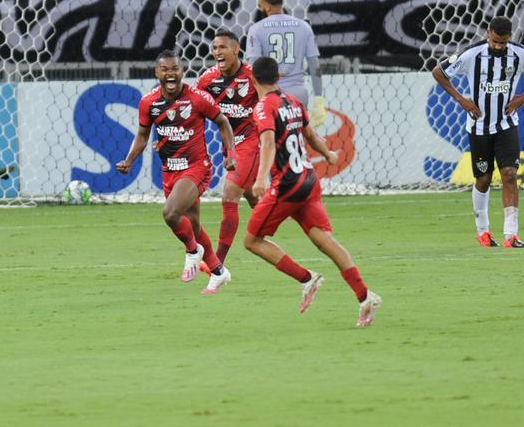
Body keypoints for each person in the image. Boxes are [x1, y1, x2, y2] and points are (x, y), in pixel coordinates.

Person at [242, 56, 382, 327]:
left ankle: (306, 278)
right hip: (309, 180)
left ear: (253, 80)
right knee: (325, 241)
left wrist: (260, 179)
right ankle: (365, 296)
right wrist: (327, 154)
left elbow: (268, 144)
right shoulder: (293, 103)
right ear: (279, 78)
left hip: (287, 185)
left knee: (252, 241)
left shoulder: (263, 107)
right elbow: (311, 136)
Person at [116, 49, 238, 294]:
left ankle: (193, 252)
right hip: (170, 170)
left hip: (197, 168)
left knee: (171, 214)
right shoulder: (149, 102)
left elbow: (222, 122)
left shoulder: (197, 98)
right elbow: (142, 136)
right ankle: (218, 272)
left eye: (175, 69)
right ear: (157, 72)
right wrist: (130, 160)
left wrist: (231, 153)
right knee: (192, 224)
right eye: (165, 69)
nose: (170, 73)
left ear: (182, 72)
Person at [432, 16, 524, 249]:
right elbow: (439, 72)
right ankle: (483, 232)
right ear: (488, 33)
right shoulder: (472, 55)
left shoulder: (520, 54)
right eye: (495, 41)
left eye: (503, 42)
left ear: (509, 38)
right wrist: (462, 100)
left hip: (506, 124)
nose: (498, 46)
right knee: (484, 179)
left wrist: (523, 97)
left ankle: (511, 235)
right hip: (478, 127)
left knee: (509, 173)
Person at [196, 29, 259, 265]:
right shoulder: (207, 80)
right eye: (214, 48)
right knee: (252, 194)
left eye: (222, 47)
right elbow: (192, 110)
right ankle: (271, 217)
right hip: (230, 145)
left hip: (252, 143)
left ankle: (217, 264)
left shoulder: (253, 76)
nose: (217, 52)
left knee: (229, 197)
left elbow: (271, 105)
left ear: (236, 49)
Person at [245, 0, 327, 128]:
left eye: (260, 5)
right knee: (296, 143)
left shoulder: (256, 29)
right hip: (298, 95)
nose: (260, 8)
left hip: (270, 95)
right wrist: (319, 99)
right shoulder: (303, 27)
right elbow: (314, 64)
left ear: (266, 6)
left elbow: (253, 65)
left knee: (270, 142)